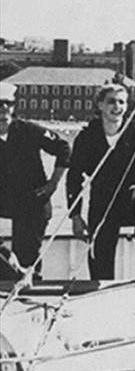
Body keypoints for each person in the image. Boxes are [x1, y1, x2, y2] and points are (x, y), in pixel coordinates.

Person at [66, 83, 135, 280]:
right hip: (102, 202)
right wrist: (76, 216)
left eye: (121, 102)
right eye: (111, 101)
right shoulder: (86, 137)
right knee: (100, 268)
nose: (117, 107)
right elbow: (74, 177)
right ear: (100, 105)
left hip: (129, 199)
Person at [0, 82, 70, 279]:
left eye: (8, 105)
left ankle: (26, 281)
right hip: (6, 199)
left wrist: (52, 184)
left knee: (26, 259)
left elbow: (64, 149)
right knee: (9, 263)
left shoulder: (29, 131)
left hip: (33, 201)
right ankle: (7, 261)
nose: (4, 111)